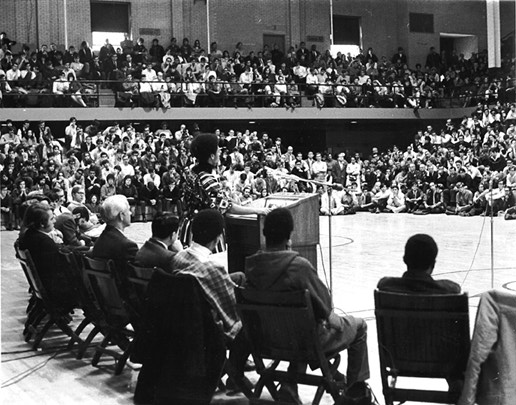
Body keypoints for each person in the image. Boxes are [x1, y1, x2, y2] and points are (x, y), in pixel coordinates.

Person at [245, 208, 370, 403]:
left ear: (264, 233)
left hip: (267, 341)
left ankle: (290, 384)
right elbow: (330, 317)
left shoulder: (251, 267)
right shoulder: (298, 266)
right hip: (306, 342)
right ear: (289, 235)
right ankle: (354, 392)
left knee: (297, 325)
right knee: (359, 326)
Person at [180, 134, 269, 244]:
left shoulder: (190, 172)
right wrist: (260, 210)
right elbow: (228, 207)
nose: (220, 153)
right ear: (212, 156)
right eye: (218, 151)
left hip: (190, 229)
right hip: (206, 234)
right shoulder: (207, 179)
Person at [17, 203, 77, 309]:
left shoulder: (30, 236)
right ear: (41, 224)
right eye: (52, 219)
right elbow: (62, 266)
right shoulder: (44, 242)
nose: (55, 221)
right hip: (57, 294)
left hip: (44, 289)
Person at [377, 233, 461, 294]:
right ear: (433, 264)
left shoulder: (386, 286)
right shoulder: (449, 290)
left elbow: (384, 281)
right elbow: (454, 287)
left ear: (404, 260)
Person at [90, 194, 138, 270]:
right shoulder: (128, 246)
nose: (130, 213)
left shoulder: (100, 240)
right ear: (121, 215)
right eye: (128, 210)